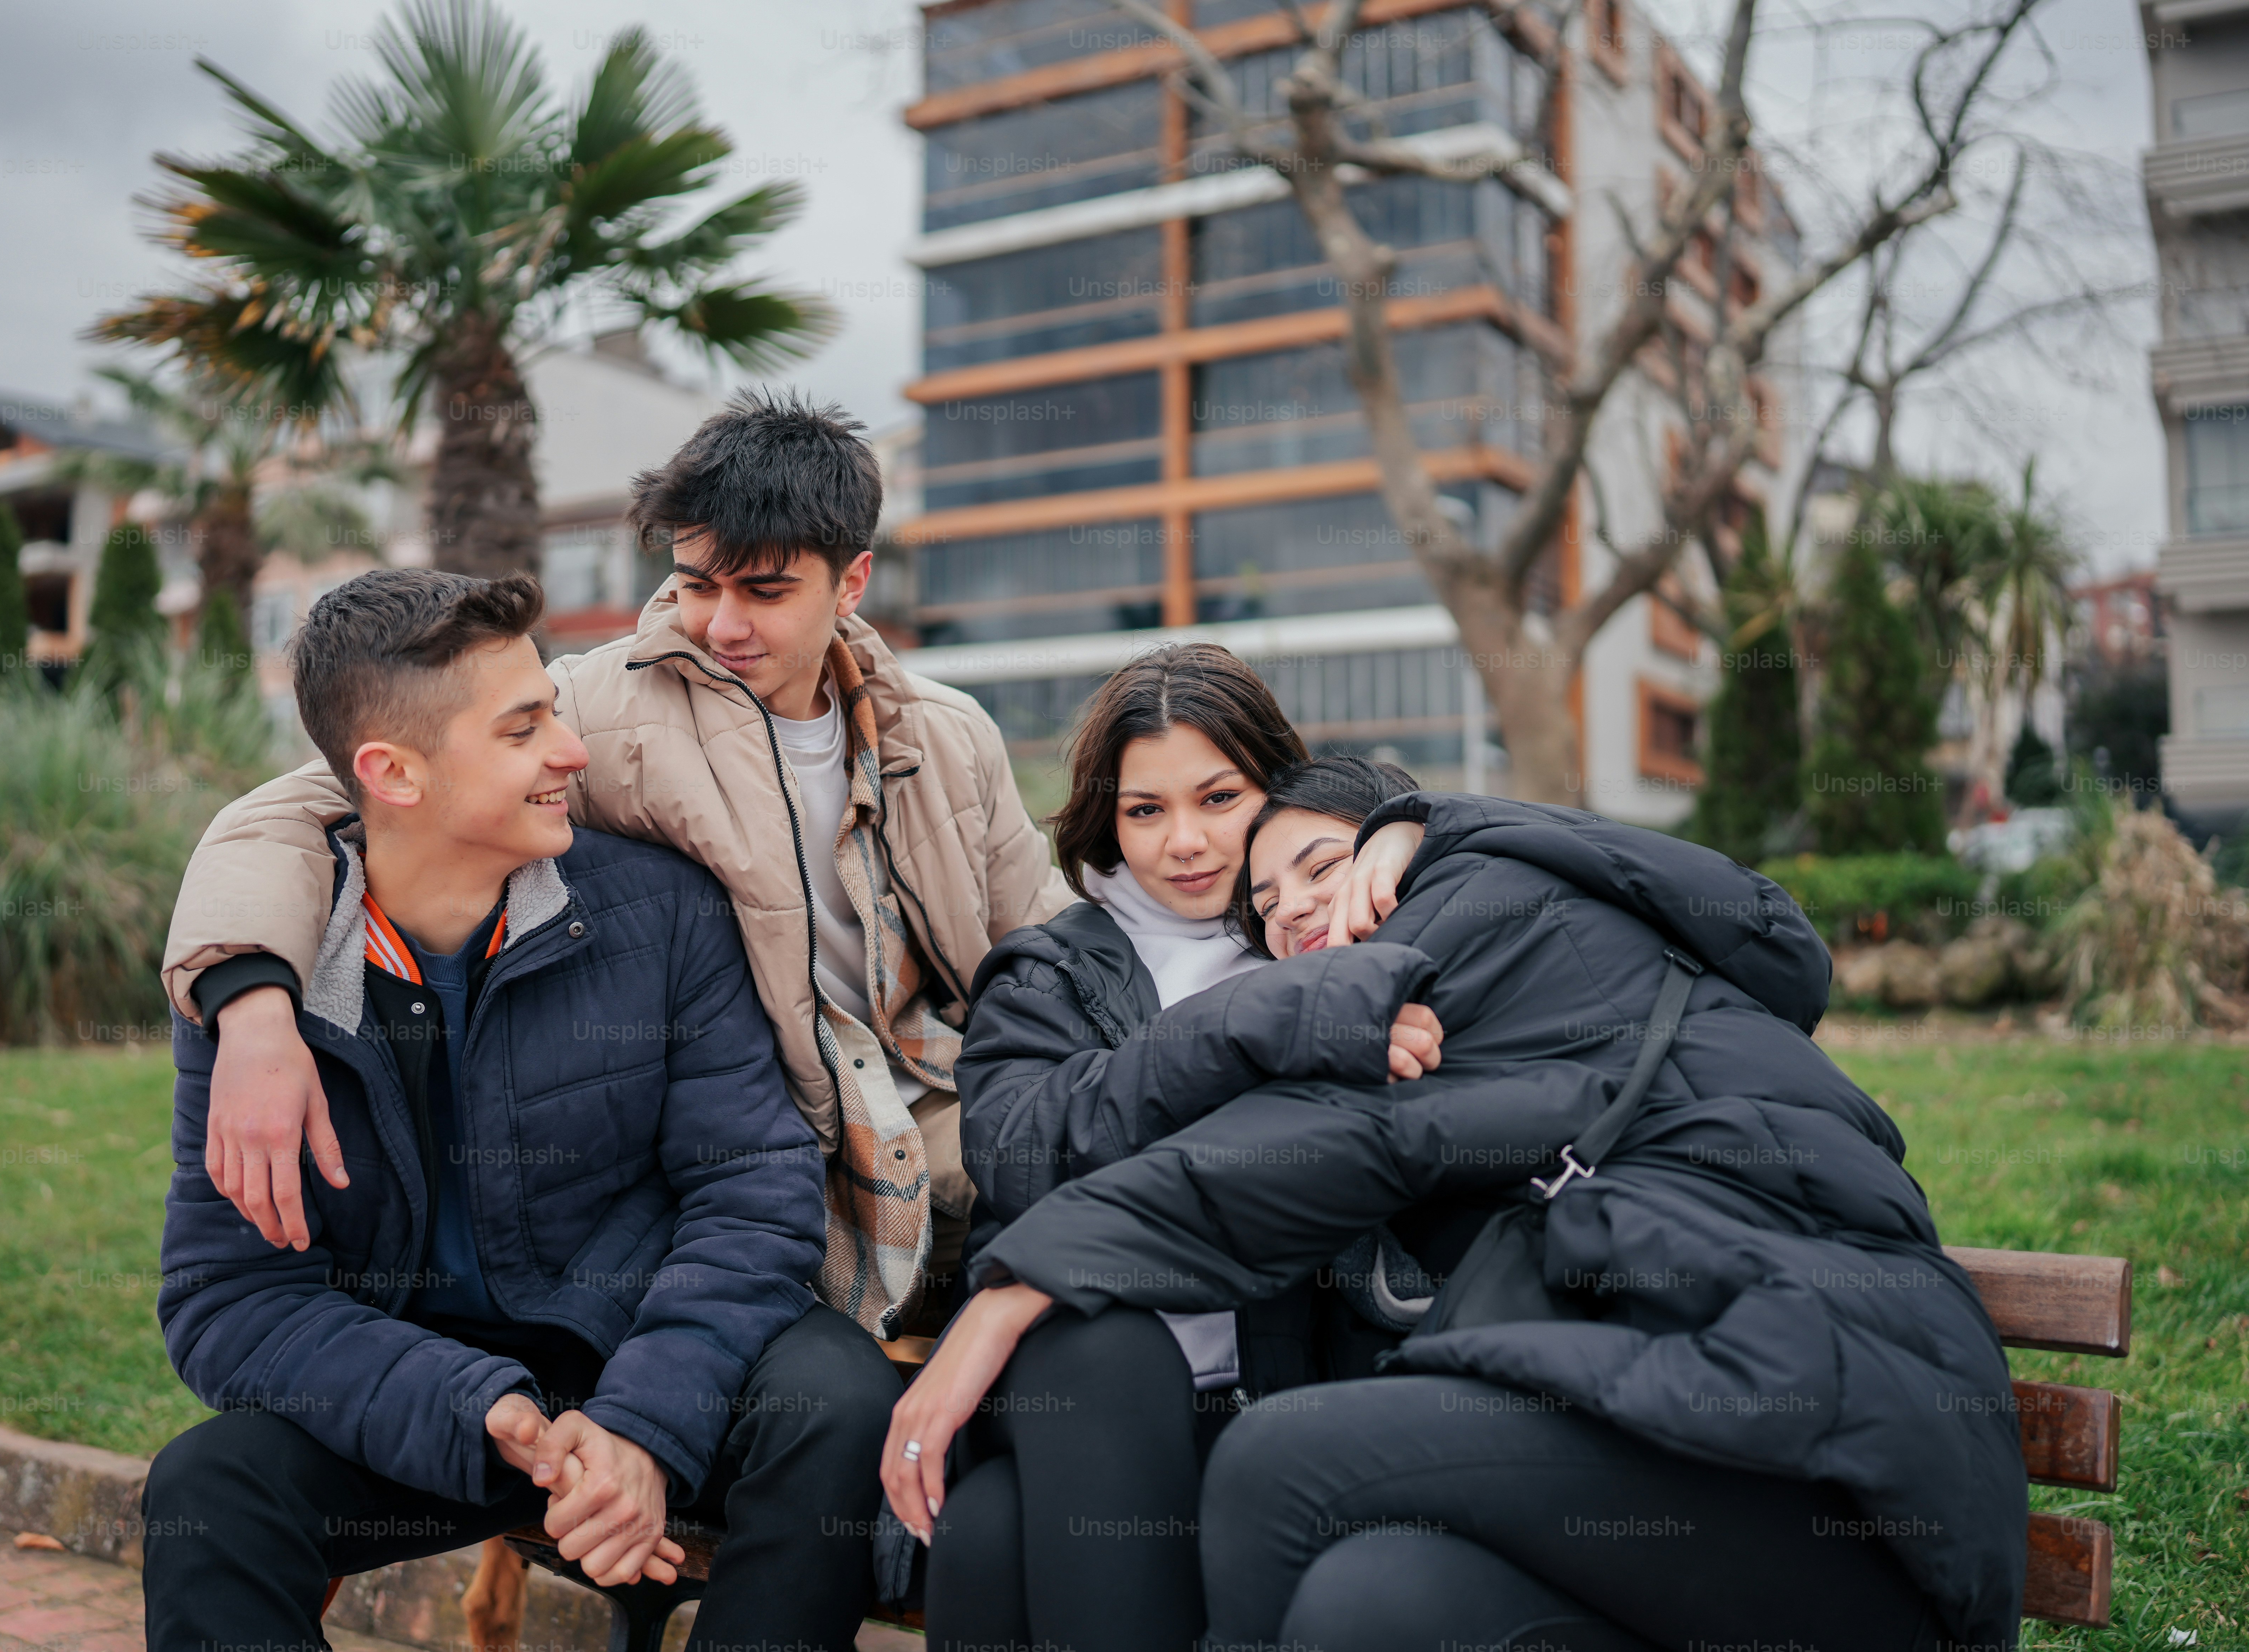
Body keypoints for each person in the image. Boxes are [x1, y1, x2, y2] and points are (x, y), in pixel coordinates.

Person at [897, 790, 2027, 1652]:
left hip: (1846, 1475)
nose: (1291, 908)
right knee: (1371, 1601)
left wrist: (1009, 1292)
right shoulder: (1453, 958)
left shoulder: (1492, 925)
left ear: (1403, 852)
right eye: (1267, 902)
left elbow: (1318, 1152)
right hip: (1714, 1465)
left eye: (1320, 864)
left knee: (1278, 1470)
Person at [160, 390, 1066, 1339]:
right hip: (774, 1135)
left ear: (853, 583)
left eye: (765, 591)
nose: (722, 625)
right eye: (695, 583)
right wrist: (256, 1009)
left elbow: (1038, 952)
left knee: (1107, 1220)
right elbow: (298, 809)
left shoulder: (948, 733)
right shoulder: (594, 708)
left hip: (944, 1105)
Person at [144, 569, 901, 1652]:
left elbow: (752, 1195)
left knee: (829, 1399)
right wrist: (483, 1411)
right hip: (435, 1401)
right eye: (523, 730)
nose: (571, 752)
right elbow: (230, 1299)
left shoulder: (664, 914)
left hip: (645, 1345)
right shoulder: (257, 994)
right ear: (392, 774)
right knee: (207, 1491)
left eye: (555, 709)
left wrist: (640, 1428)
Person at [922, 740, 1438, 1652]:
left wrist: (1400, 834)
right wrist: (1246, 1027)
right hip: (1081, 1382)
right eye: (1145, 810)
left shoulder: (1326, 925)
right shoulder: (1048, 968)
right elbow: (1023, 1162)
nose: (1187, 842)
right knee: (1102, 1351)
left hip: (1288, 1377)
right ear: (1107, 822)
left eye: (1219, 797)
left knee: (989, 1540)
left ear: (1275, 788)